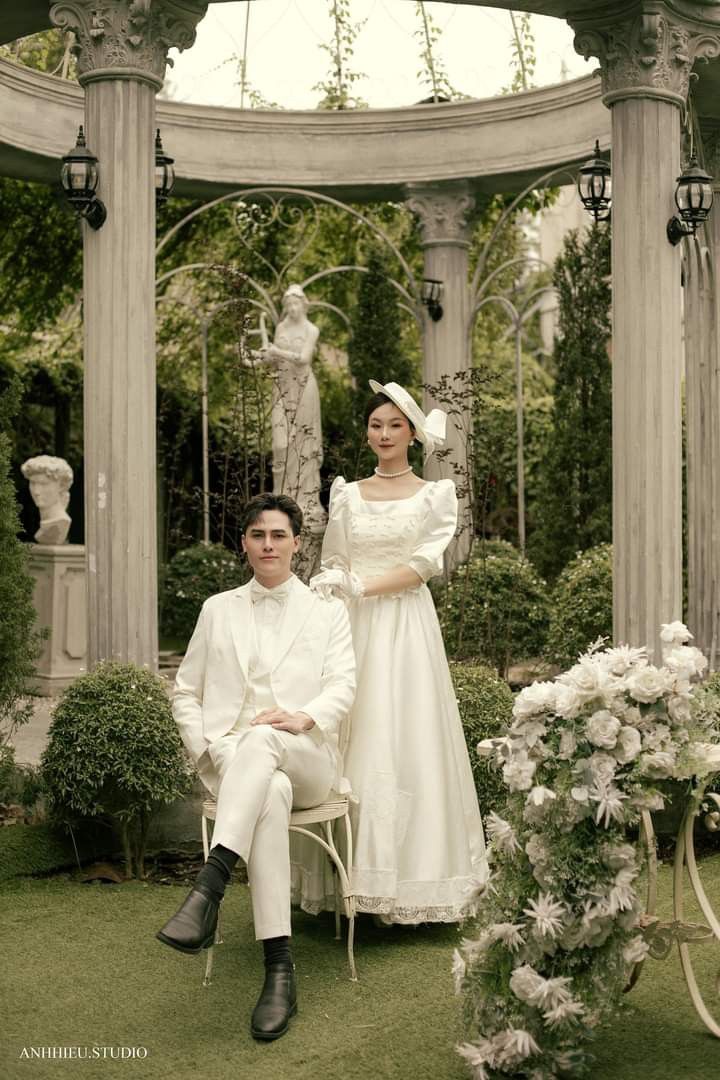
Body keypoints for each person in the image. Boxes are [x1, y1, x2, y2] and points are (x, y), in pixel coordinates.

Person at [156, 493, 355, 1041]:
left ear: (296, 544)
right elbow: (187, 691)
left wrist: (303, 716)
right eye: (258, 535)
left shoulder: (326, 611)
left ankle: (210, 884)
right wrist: (206, 748)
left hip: (307, 754)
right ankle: (279, 973)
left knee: (266, 740)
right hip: (240, 762)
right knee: (268, 792)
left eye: (279, 536)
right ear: (244, 544)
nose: (268, 545)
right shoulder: (217, 609)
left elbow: (344, 686)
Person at [303, 380, 487, 924]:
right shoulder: (346, 493)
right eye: (376, 425)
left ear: (411, 433)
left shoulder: (435, 495)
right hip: (351, 627)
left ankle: (407, 883)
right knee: (352, 731)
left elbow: (426, 564)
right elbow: (334, 559)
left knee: (404, 737)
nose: (383, 434)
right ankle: (347, 878)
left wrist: (365, 587)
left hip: (405, 626)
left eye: (394, 425)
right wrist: (332, 585)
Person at [254, 285, 324, 526]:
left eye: (296, 304)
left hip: (303, 388)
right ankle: (282, 499)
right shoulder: (281, 328)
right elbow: (274, 358)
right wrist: (260, 356)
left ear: (304, 304)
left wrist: (277, 351)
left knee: (304, 443)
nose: (292, 309)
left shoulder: (311, 330)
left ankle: (306, 500)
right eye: (289, 305)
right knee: (280, 443)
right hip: (282, 388)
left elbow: (304, 358)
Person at [20, 455, 73, 545]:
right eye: (33, 483)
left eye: (43, 484)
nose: (36, 491)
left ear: (61, 486)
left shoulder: (61, 522)